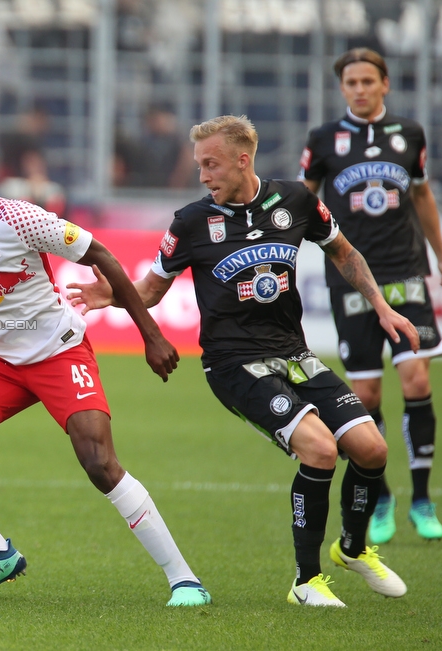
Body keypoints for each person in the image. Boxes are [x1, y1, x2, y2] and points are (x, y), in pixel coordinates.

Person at [68, 116, 418, 608]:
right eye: (198, 165)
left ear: (242, 159)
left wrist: (380, 306)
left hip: (294, 355)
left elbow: (343, 252)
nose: (203, 174)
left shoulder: (296, 200)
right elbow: (152, 288)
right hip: (234, 365)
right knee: (319, 449)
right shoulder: (190, 221)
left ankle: (354, 548)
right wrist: (114, 295)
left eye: (210, 164)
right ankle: (306, 581)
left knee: (372, 450)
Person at [0, 150, 211, 607]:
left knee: (99, 463)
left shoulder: (17, 218)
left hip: (60, 351)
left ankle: (184, 579)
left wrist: (151, 334)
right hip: (2, 361)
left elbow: (100, 253)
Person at [299, 48, 442, 544]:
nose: (360, 89)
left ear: (385, 84)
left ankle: (422, 498)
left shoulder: (409, 135)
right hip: (351, 279)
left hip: (405, 273)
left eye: (369, 80)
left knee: (414, 377)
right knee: (365, 395)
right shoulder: (323, 140)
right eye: (351, 82)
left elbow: (422, 195)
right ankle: (385, 497)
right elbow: (302, 202)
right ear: (342, 88)